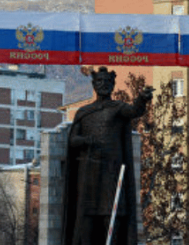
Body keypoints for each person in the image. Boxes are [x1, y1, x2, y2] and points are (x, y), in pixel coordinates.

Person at [64, 67, 153, 245]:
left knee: (113, 215)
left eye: (107, 82)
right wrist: (85, 140)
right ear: (93, 85)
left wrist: (142, 97)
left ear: (112, 85)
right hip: (89, 172)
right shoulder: (84, 112)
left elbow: (135, 111)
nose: (103, 85)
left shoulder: (118, 108)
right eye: (99, 81)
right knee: (87, 218)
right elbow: (72, 140)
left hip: (112, 171)